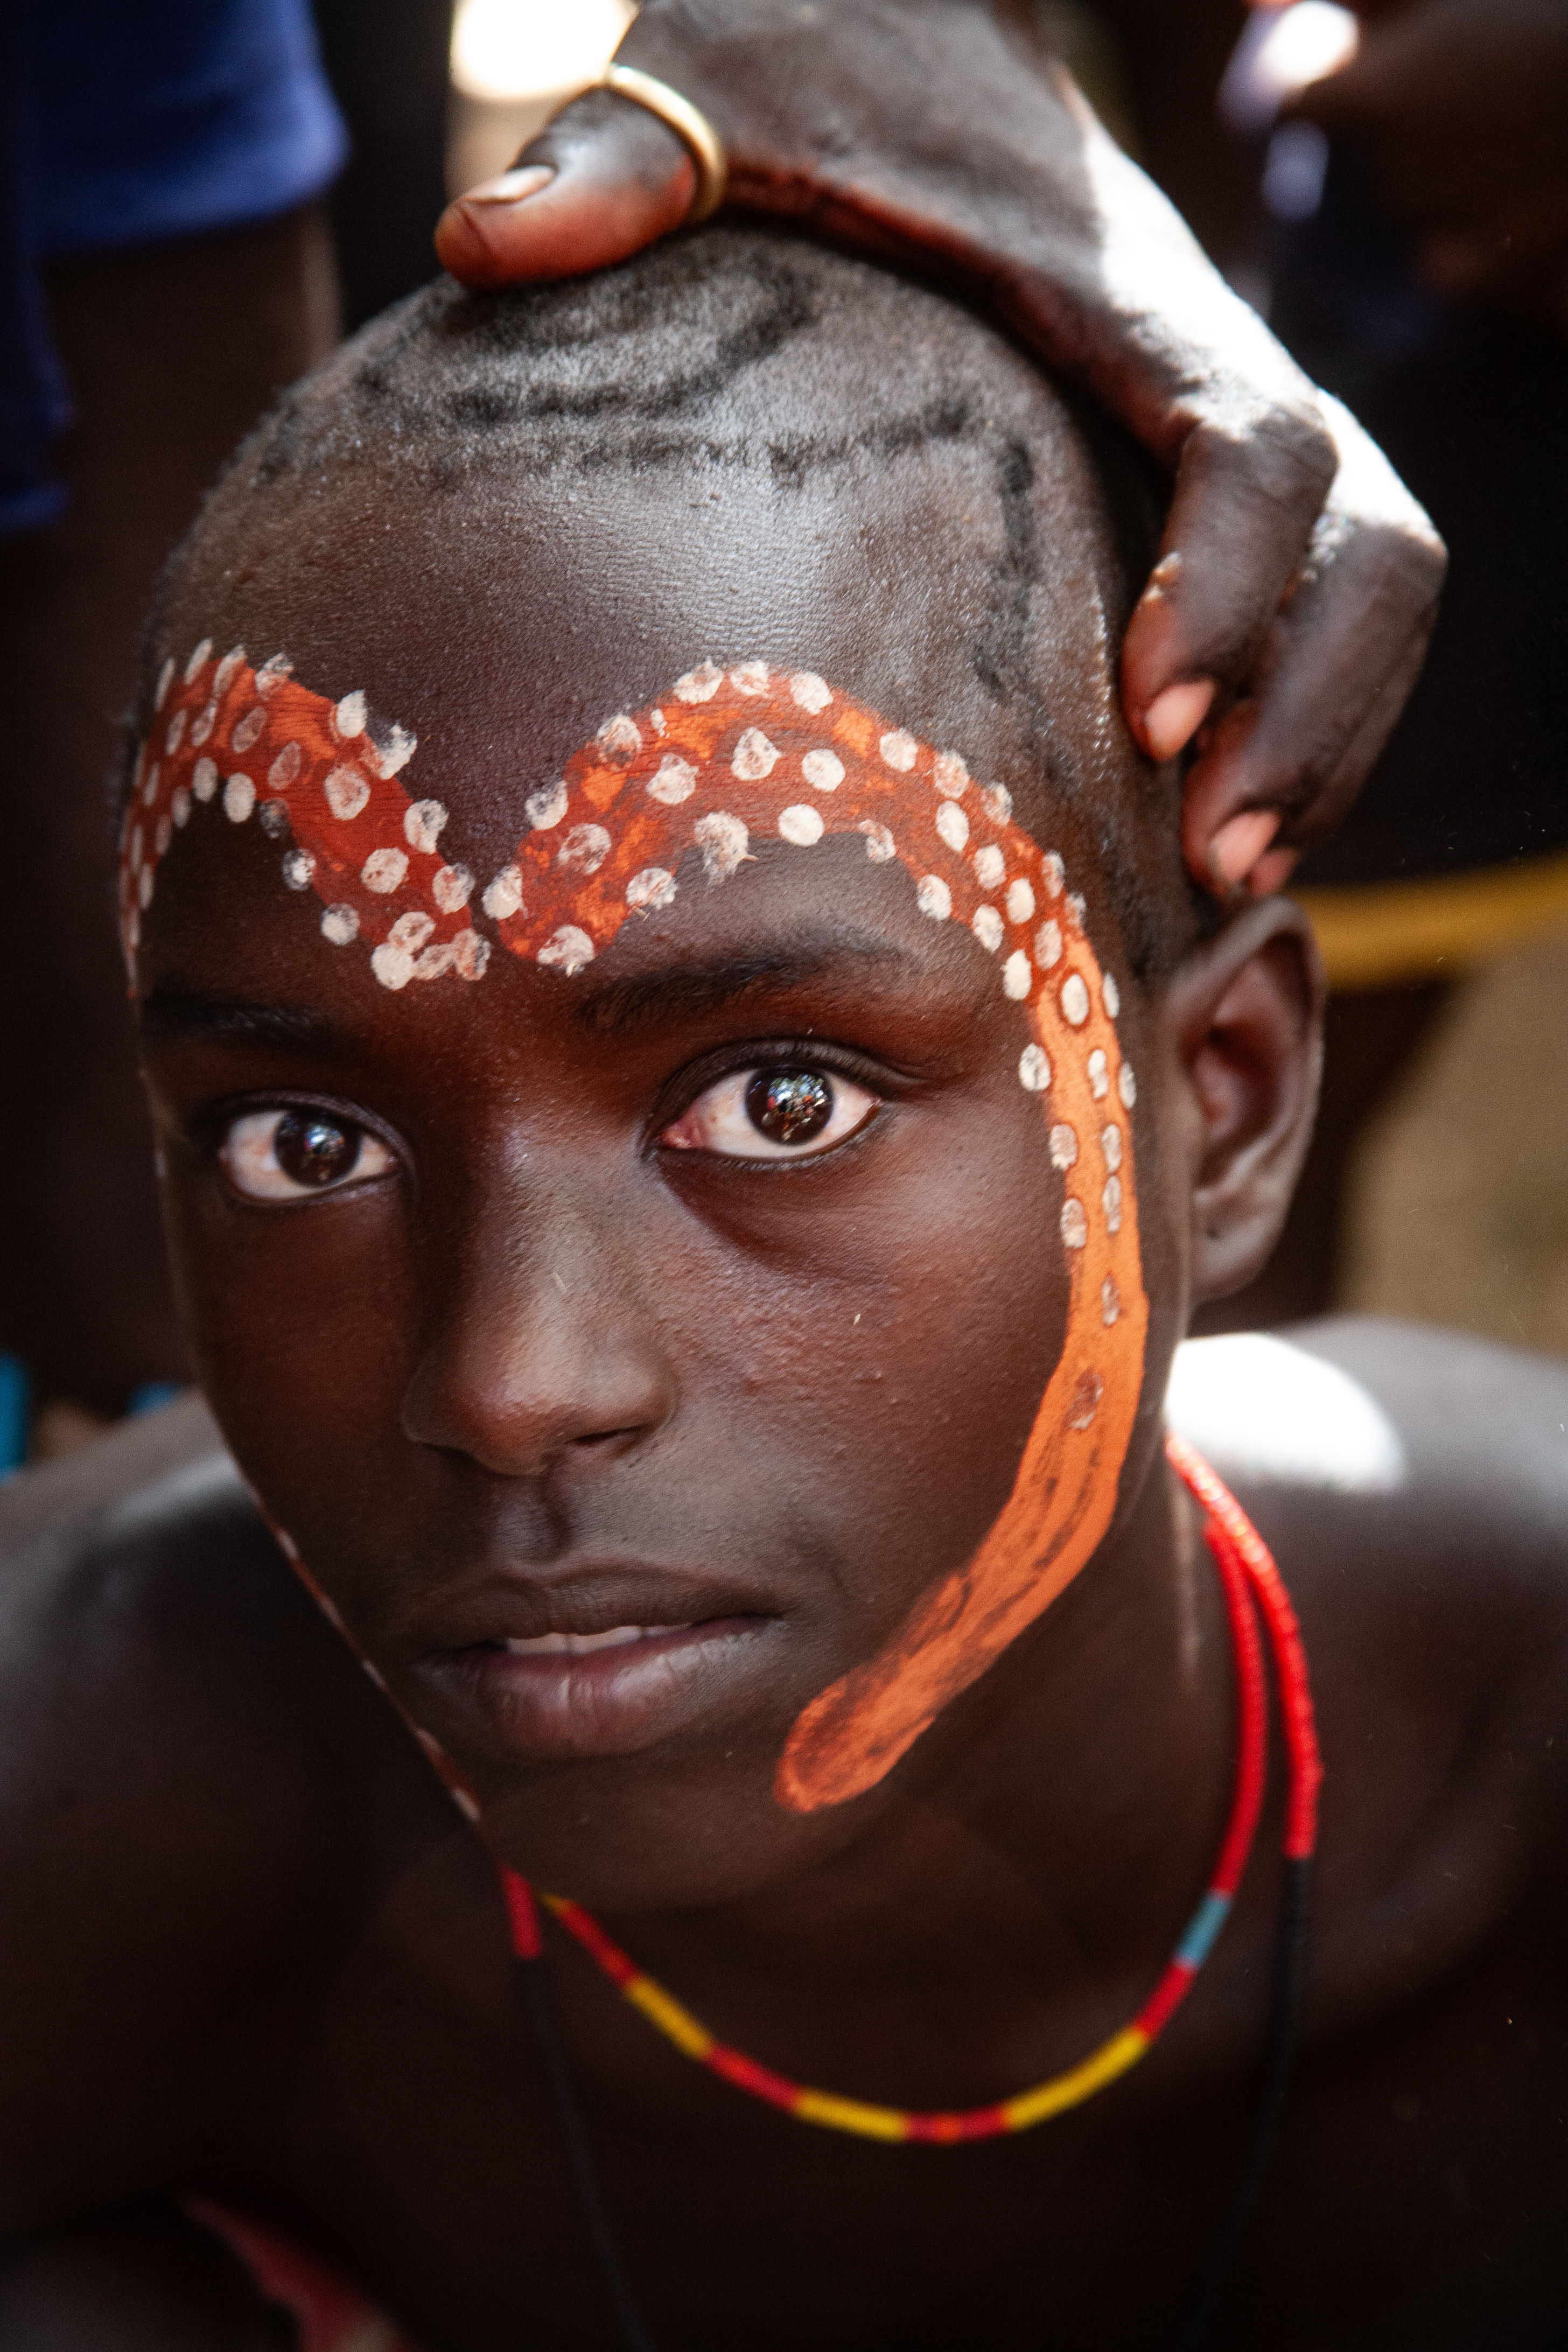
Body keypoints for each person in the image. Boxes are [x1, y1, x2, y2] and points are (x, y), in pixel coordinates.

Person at [3, 224, 1560, 2351]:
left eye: (781, 1097)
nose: (511, 1379)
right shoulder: (96, 1789)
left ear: (1216, 1108)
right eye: (307, 1145)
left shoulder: (1527, 1771)